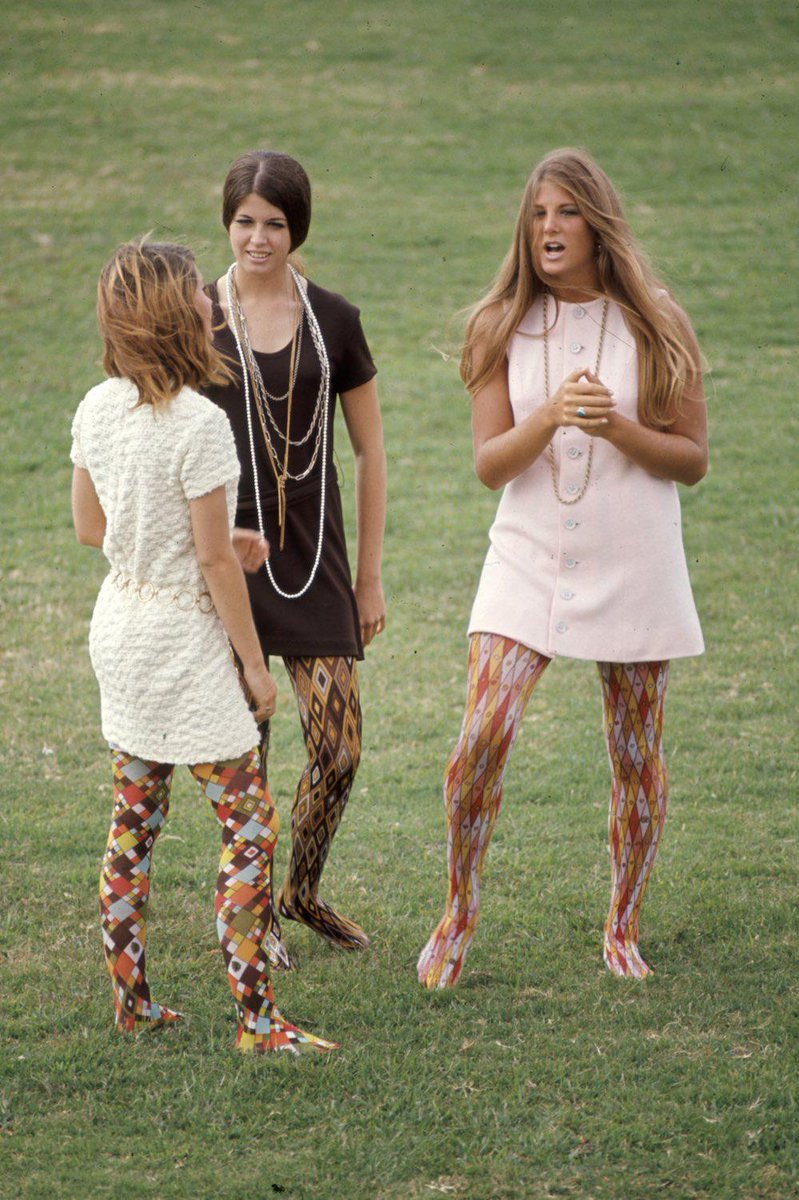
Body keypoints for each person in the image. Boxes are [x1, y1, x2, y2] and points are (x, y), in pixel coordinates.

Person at [417, 148, 708, 989]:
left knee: (635, 753)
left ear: (597, 223)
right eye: (538, 213)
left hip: (635, 557)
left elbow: (691, 460)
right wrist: (548, 416)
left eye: (567, 212)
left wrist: (617, 428)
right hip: (526, 556)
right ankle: (456, 915)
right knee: (480, 737)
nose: (549, 227)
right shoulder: (497, 325)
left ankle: (622, 926)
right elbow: (490, 466)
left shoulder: (657, 320)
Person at [71, 239, 337, 1053]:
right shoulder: (199, 423)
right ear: (169, 314)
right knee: (249, 828)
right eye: (195, 290)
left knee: (133, 823)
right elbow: (215, 564)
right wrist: (255, 668)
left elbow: (91, 527)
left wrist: (208, 543)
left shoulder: (96, 407)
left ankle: (132, 1003)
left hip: (120, 631)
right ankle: (257, 1022)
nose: (208, 299)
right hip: (182, 648)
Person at [204, 150, 387, 953]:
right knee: (247, 752)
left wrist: (369, 579)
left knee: (338, 751)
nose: (257, 238)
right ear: (227, 223)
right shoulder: (197, 316)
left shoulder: (334, 319)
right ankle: (252, 912)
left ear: (296, 228)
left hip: (315, 555)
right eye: (244, 221)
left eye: (274, 224)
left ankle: (302, 892)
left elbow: (370, 453)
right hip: (226, 553)